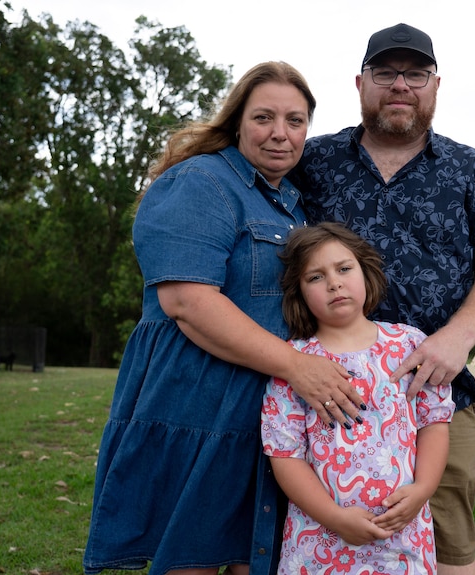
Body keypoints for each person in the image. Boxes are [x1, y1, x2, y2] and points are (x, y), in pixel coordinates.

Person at [82, 61, 365, 575]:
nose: (280, 133)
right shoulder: (200, 182)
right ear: (237, 122)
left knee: (253, 559)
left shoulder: (291, 205)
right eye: (264, 117)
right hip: (197, 402)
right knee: (191, 560)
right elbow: (187, 302)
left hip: (263, 410)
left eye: (295, 121)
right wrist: (297, 367)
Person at [292, 24, 475, 575]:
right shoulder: (312, 161)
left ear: (435, 85)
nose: (400, 85)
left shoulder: (471, 170)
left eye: (415, 74)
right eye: (386, 72)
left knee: (449, 551)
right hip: (322, 394)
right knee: (319, 543)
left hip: (433, 394)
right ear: (360, 83)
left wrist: (457, 339)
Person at [261, 222, 454, 575]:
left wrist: (423, 489)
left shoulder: (410, 346)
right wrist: (334, 518)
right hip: (319, 540)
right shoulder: (295, 364)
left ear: (366, 272)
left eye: (344, 269)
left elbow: (434, 424)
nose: (334, 283)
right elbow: (285, 455)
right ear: (299, 292)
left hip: (403, 535)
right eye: (315, 277)